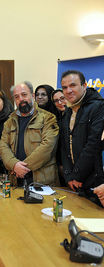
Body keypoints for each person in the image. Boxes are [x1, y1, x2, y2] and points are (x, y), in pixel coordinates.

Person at [0, 81, 59, 186]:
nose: (21, 99)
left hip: (41, 180)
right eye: (16, 97)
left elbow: (48, 146)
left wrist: (22, 168)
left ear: (32, 95)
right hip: (16, 180)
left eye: (24, 94)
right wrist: (14, 165)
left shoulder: (48, 117)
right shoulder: (9, 121)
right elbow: (3, 145)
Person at [60, 70, 104, 206]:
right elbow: (64, 146)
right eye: (64, 87)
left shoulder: (98, 106)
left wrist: (77, 175)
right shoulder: (67, 110)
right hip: (75, 183)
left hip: (94, 181)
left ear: (84, 85)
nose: (68, 91)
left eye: (73, 85)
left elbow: (93, 144)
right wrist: (69, 176)